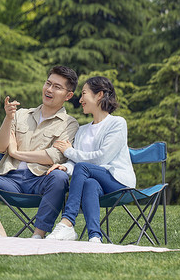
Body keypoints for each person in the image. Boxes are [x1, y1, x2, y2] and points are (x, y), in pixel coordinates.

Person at [0, 66, 79, 238]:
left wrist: (16, 153)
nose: (49, 89)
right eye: (48, 84)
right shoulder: (20, 114)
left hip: (40, 180)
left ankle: (37, 236)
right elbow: (1, 148)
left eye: (57, 87)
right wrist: (8, 118)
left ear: (68, 95)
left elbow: (53, 156)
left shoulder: (70, 124)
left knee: (60, 178)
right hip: (9, 178)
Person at [46, 76, 136, 243]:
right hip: (97, 183)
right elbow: (76, 164)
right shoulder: (82, 130)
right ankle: (95, 237)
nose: (80, 100)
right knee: (89, 184)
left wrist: (70, 151)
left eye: (84, 94)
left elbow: (102, 158)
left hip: (119, 181)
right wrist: (65, 167)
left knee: (83, 168)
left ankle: (67, 222)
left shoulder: (117, 124)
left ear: (99, 95)